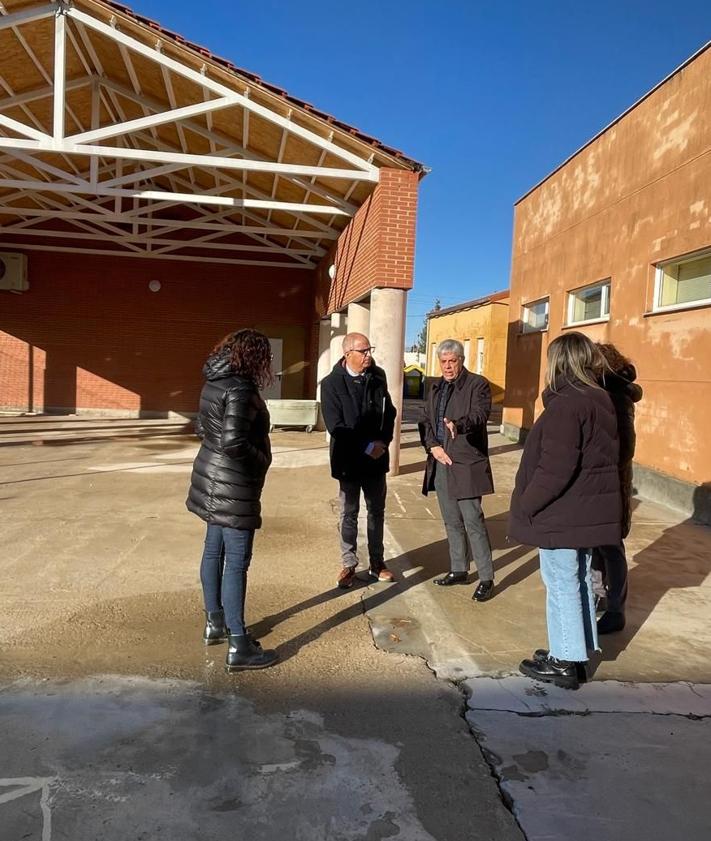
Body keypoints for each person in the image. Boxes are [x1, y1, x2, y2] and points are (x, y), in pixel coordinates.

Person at [509, 332, 621, 690]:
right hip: (583, 511)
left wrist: (526, 505)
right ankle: (574, 650)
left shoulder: (568, 403)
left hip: (564, 512)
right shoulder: (598, 397)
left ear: (558, 362)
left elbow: (555, 469)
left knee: (561, 584)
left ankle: (567, 661)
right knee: (577, 581)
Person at [186, 329, 278, 672]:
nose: (267, 363)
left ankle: (215, 624)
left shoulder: (215, 380)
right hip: (233, 485)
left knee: (214, 551)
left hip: (212, 478)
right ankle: (239, 644)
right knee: (236, 562)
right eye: (265, 356)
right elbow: (234, 442)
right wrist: (262, 461)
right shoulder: (239, 388)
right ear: (253, 357)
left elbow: (201, 428)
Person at [421, 339, 496, 601]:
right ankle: (458, 569)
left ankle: (486, 577)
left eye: (453, 361)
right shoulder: (435, 388)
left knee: (473, 521)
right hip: (441, 460)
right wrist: (432, 446)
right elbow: (426, 421)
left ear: (462, 360)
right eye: (444, 361)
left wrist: (458, 425)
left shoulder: (478, 384)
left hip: (466, 463)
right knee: (451, 520)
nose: (448, 366)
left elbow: (479, 415)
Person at [321, 332, 397, 589]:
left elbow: (390, 413)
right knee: (349, 513)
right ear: (347, 354)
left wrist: (383, 442)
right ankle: (349, 564)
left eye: (369, 350)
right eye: (363, 351)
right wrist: (365, 447)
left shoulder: (378, 376)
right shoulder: (331, 384)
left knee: (376, 511)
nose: (368, 355)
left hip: (376, 459)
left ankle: (377, 563)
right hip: (348, 461)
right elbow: (336, 426)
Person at [593, 343, 643, 634]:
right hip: (598, 483)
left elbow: (624, 447)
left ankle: (616, 609)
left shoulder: (616, 397)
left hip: (611, 483)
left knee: (611, 547)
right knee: (597, 545)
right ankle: (601, 596)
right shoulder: (603, 393)